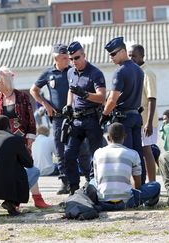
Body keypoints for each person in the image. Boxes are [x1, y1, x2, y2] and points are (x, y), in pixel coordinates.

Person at [0, 66, 50, 208]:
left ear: (6, 81)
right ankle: (12, 199)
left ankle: (37, 198)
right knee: (8, 170)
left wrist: (30, 138)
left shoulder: (22, 97)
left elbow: (30, 119)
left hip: (21, 139)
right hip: (2, 141)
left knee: (28, 166)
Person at [61, 41, 106, 194]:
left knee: (96, 156)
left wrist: (85, 94)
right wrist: (68, 105)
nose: (74, 62)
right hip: (76, 119)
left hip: (92, 118)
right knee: (69, 154)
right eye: (71, 59)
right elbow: (70, 90)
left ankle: (94, 188)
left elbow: (102, 97)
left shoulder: (95, 73)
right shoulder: (70, 72)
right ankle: (74, 189)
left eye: (77, 58)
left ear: (84, 55)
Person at [100, 37, 145, 184]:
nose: (111, 57)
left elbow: (112, 100)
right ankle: (141, 188)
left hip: (123, 119)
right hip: (136, 116)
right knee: (137, 154)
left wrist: (104, 115)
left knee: (124, 155)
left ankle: (126, 189)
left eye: (113, 54)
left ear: (123, 51)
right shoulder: (139, 70)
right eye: (110, 55)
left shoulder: (120, 72)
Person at [30, 43, 73, 194]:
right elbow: (33, 90)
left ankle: (75, 181)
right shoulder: (48, 73)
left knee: (74, 148)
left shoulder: (72, 72)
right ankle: (64, 182)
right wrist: (45, 104)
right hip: (57, 118)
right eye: (64, 57)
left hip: (73, 117)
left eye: (68, 57)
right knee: (60, 150)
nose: (68, 59)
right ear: (56, 58)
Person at [91, 122, 160, 211]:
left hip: (103, 202)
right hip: (126, 202)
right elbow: (137, 184)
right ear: (125, 136)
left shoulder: (98, 153)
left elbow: (97, 181)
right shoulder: (133, 154)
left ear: (108, 137)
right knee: (155, 185)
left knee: (92, 181)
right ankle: (147, 204)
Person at [128, 44, 158, 182]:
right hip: (136, 120)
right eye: (129, 55)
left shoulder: (148, 73)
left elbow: (152, 98)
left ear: (142, 56)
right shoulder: (133, 71)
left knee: (147, 151)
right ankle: (142, 182)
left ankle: (152, 183)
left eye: (134, 56)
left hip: (146, 120)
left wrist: (149, 123)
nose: (131, 58)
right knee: (137, 152)